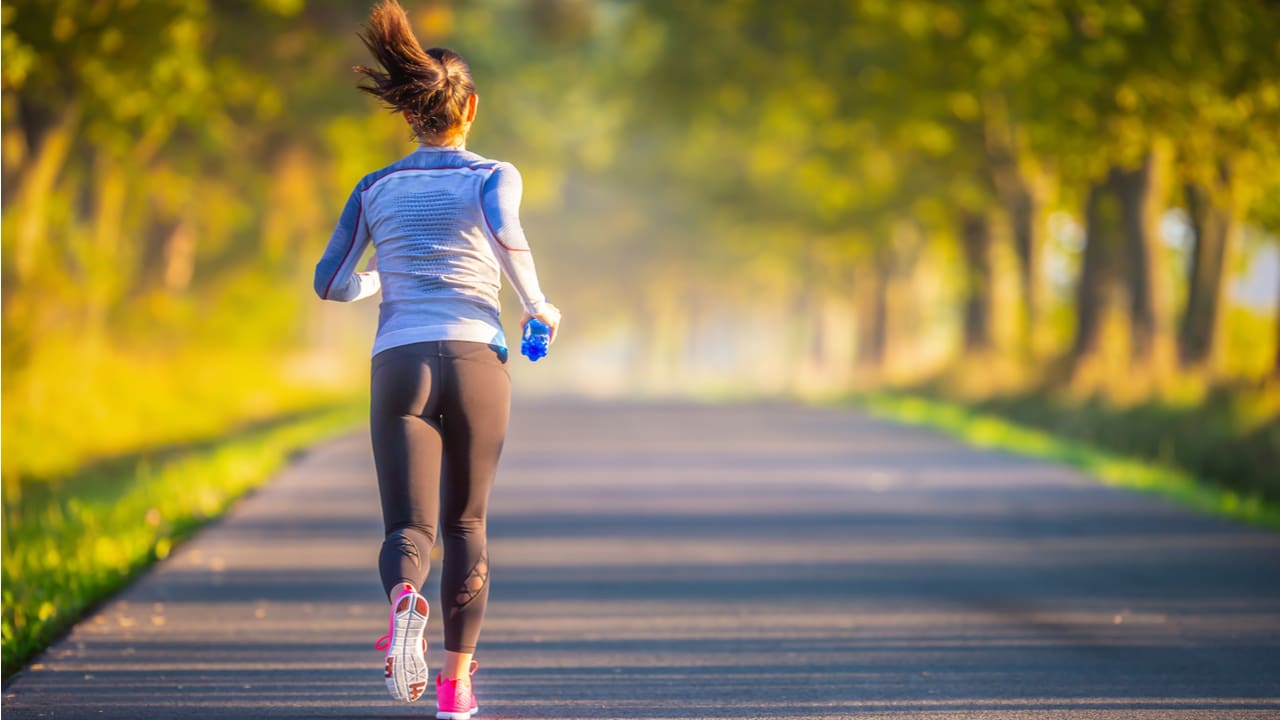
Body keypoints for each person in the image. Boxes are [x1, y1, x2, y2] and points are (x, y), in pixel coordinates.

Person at [313, 1, 561, 717]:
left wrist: (383, 280)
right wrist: (538, 305)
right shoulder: (491, 174)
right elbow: (508, 237)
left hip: (399, 359)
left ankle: (402, 602)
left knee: (408, 530)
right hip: (476, 355)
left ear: (408, 114)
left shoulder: (375, 186)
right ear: (470, 109)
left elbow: (330, 283)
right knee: (467, 525)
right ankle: (455, 690)